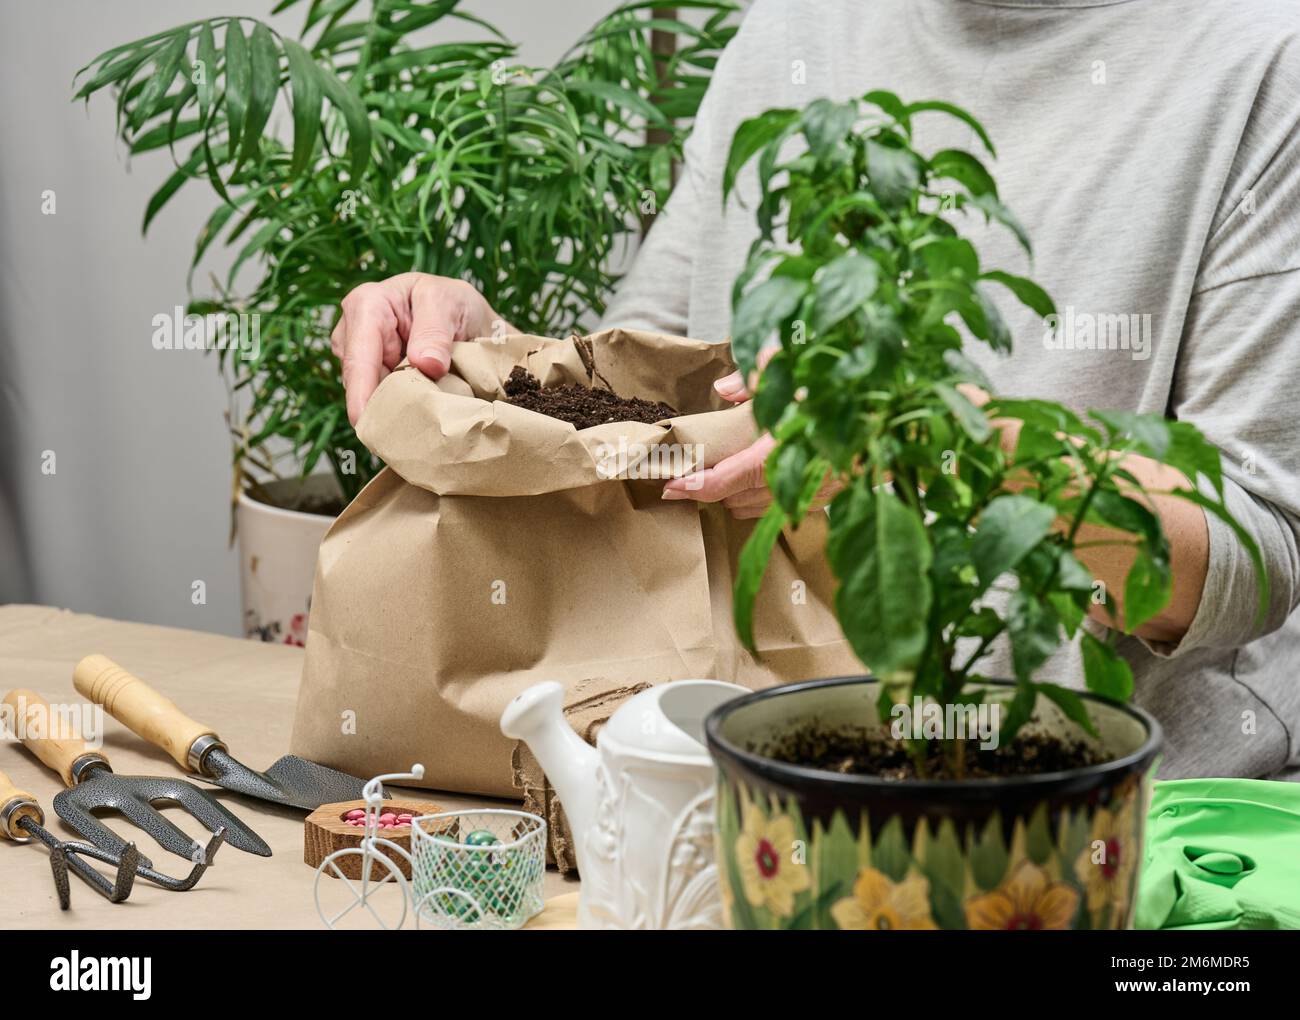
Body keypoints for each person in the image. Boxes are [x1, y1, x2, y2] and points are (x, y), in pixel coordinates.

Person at [329, 0, 1300, 779]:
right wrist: (493, 358)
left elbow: (1249, 569)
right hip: (774, 775)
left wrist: (940, 442)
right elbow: (666, 398)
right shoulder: (790, 29)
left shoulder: (1260, 59)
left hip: (1094, 821)